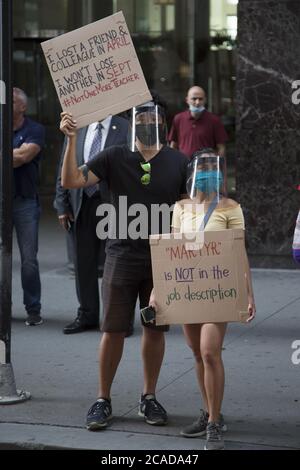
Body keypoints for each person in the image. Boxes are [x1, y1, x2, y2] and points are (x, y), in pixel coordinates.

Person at [59, 95, 188, 431]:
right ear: (133, 122)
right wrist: (72, 139)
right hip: (121, 253)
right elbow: (72, 180)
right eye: (140, 118)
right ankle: (103, 399)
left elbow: (188, 212)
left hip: (162, 258)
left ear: (163, 123)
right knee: (113, 330)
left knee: (155, 330)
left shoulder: (178, 161)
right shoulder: (115, 156)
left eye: (153, 118)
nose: (147, 123)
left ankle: (149, 396)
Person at [150, 148, 256, 450]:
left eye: (214, 168)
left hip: (218, 288)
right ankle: (212, 411)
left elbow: (240, 252)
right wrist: (159, 291)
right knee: (197, 353)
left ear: (221, 173)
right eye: (204, 167)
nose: (209, 173)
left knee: (210, 352)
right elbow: (169, 250)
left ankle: (212, 425)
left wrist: (249, 293)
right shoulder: (181, 208)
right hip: (186, 288)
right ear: (193, 173)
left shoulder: (231, 208)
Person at [55, 115, 129, 335]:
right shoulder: (77, 127)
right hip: (81, 203)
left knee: (116, 264)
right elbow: (63, 164)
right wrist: (62, 204)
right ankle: (87, 314)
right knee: (82, 263)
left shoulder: (125, 126)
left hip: (113, 205)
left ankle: (117, 319)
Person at [12, 87, 45, 327]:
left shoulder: (35, 129)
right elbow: (18, 155)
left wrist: (15, 154)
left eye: (12, 102)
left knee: (28, 260)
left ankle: (33, 309)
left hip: (25, 202)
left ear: (23, 106)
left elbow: (23, 157)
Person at [168, 86, 228, 159]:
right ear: (187, 100)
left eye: (200, 99)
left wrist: (218, 166)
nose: (197, 102)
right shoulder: (178, 119)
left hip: (206, 167)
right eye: (194, 99)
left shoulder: (214, 120)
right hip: (183, 167)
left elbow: (221, 147)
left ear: (205, 100)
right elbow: (173, 145)